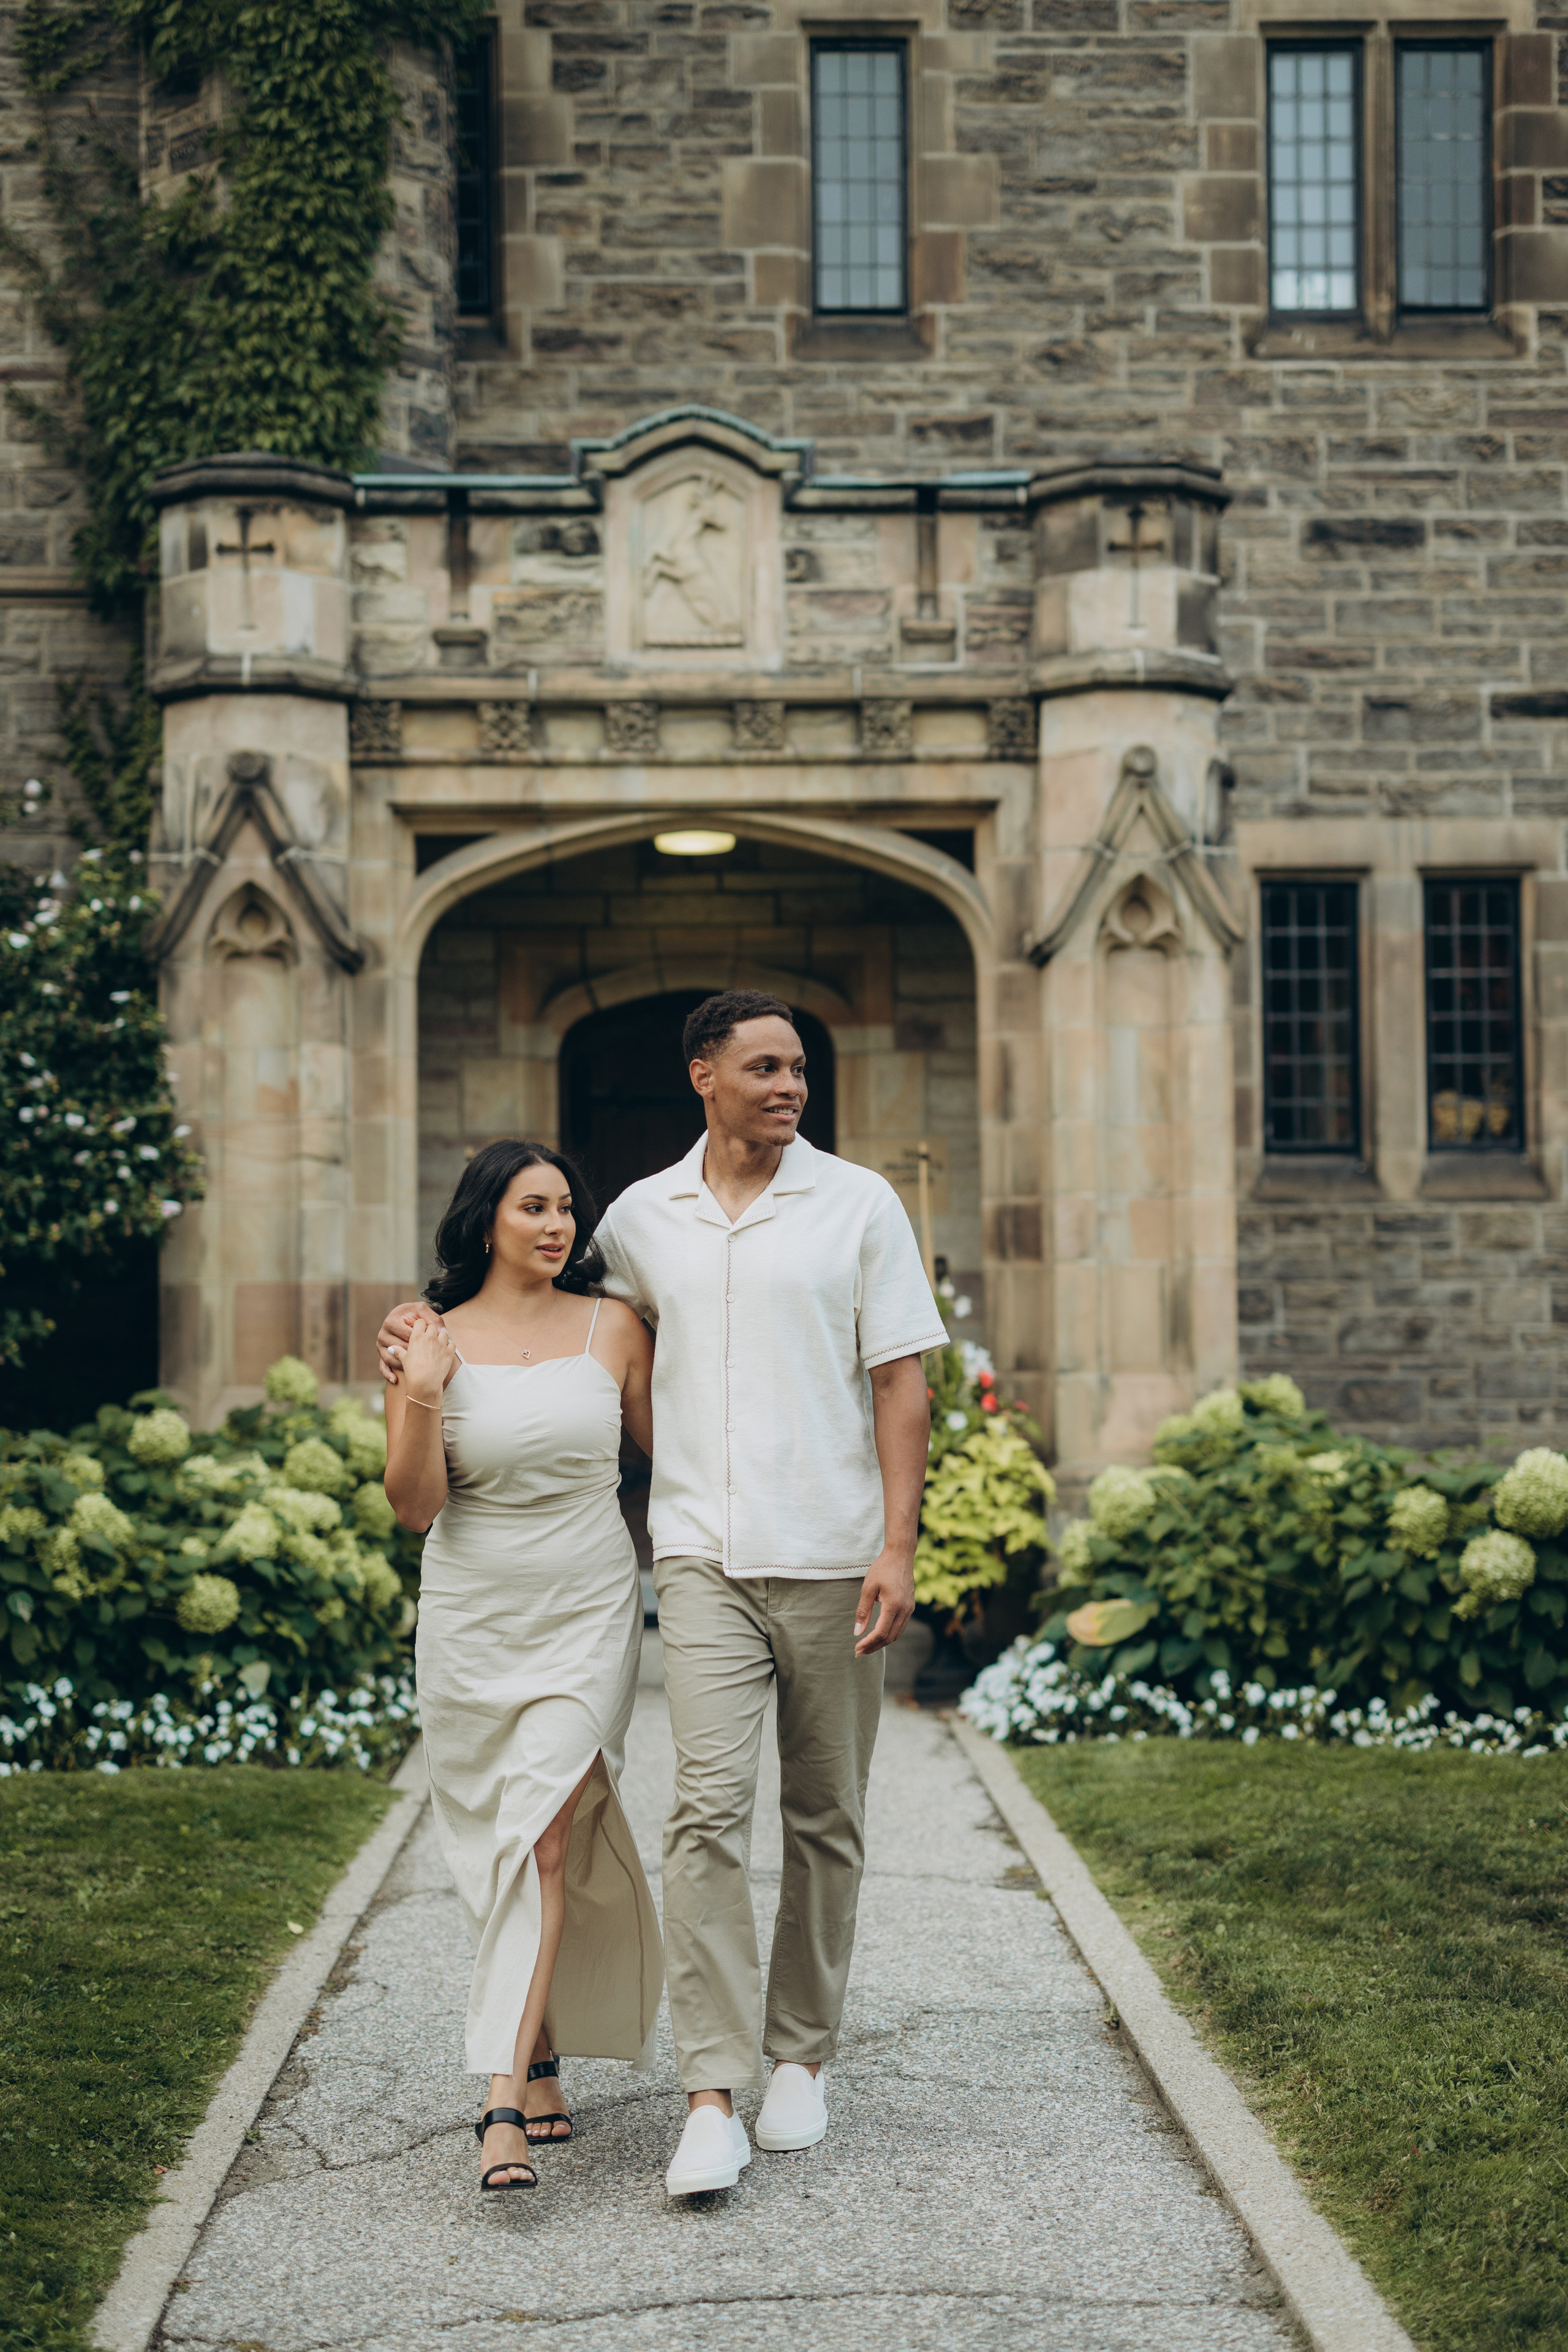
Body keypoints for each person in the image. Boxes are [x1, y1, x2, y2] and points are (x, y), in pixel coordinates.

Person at [380, 989, 945, 2197]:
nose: (790, 1085)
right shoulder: (641, 1220)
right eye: (764, 1066)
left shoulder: (858, 1205)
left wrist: (897, 1546)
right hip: (693, 1556)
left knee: (825, 1814)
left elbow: (899, 1380)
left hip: (833, 1547)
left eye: (798, 1067)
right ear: (703, 1076)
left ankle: (799, 2053)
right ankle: (708, 2087)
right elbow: (552, 1333)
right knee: (697, 1816)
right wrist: (416, 1348)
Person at [383, 1140, 663, 2195]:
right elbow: (415, 1507)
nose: (556, 1226)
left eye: (566, 1210)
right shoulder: (427, 1335)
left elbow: (672, 1460)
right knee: (496, 1844)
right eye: (533, 1207)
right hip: (470, 1612)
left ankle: (500, 2100)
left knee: (546, 1837)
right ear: (485, 1219)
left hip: (587, 1605)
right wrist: (423, 1387)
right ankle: (540, 2049)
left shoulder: (615, 1326)